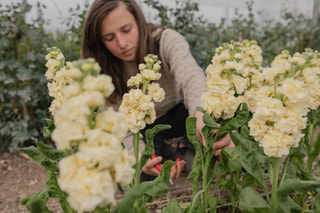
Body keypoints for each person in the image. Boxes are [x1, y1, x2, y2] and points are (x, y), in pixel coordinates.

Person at [81, 0, 234, 182]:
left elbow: (191, 77)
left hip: (179, 114)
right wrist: (139, 159)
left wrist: (201, 115)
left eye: (126, 29)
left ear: (138, 20)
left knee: (218, 109)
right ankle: (166, 152)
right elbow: (118, 126)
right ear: (99, 41)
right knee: (135, 177)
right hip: (143, 127)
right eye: (109, 38)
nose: (122, 43)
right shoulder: (101, 68)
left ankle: (186, 147)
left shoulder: (165, 40)